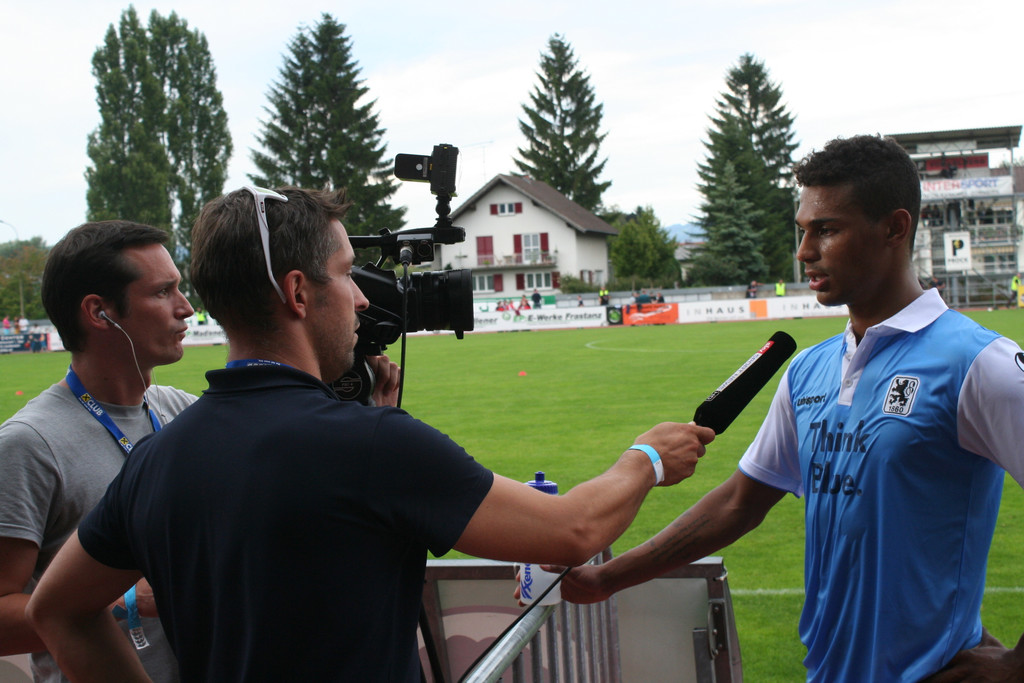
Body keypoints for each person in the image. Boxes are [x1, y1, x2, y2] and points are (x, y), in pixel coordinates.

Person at [26, 186, 715, 682]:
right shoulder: (373, 445)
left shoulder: (155, 457)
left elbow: (58, 608)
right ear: (298, 292)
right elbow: (571, 530)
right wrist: (647, 458)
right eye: (347, 273)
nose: (361, 297)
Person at [556, 135, 1024, 682]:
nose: (804, 252)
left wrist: (1016, 666)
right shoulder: (808, 370)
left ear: (895, 228)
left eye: (826, 230)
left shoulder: (978, 363)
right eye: (803, 230)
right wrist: (607, 578)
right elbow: (740, 503)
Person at [0, 221, 197, 683]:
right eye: (163, 291)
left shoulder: (185, 413)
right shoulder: (29, 444)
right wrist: (128, 602)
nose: (185, 308)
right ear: (99, 312)